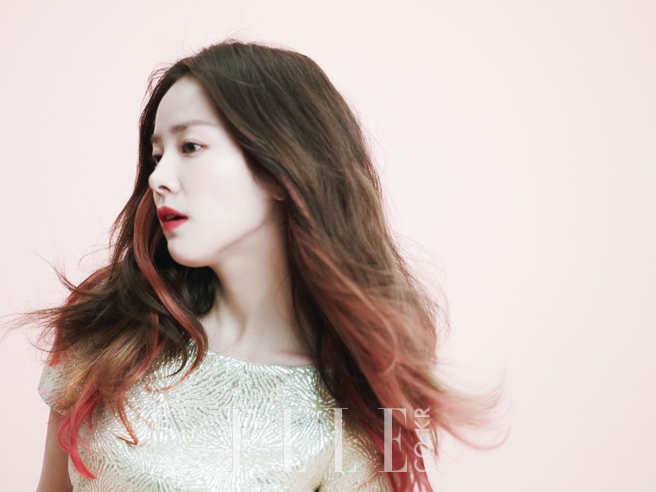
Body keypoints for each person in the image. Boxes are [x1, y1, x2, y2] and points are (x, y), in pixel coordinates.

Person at [30, 40, 500, 492]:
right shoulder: (111, 325)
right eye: (157, 155)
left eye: (190, 146)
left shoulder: (353, 411)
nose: (159, 178)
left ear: (279, 168)